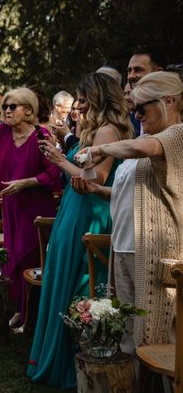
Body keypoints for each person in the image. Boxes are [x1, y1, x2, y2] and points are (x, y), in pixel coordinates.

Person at [27, 73, 134, 388]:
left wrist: (60, 160)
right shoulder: (94, 130)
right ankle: (63, 359)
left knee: (79, 282)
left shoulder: (108, 131)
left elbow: (96, 179)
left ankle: (74, 362)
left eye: (84, 101)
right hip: (75, 210)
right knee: (66, 276)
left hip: (90, 212)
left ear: (100, 98)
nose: (78, 107)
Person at [74, 71, 183, 350]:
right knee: (126, 332)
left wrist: (101, 150)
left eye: (142, 108)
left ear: (169, 101)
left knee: (155, 335)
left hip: (154, 253)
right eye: (133, 108)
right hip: (123, 246)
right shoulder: (148, 139)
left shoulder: (176, 135)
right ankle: (130, 392)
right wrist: (97, 190)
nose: (137, 114)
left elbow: (143, 147)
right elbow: (132, 195)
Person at [0, 88, 61, 330]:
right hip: (12, 206)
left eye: (12, 106)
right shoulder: (3, 131)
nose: (6, 111)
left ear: (29, 110)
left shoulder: (42, 135)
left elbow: (53, 173)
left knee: (31, 257)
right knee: (14, 257)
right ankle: (20, 310)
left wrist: (26, 183)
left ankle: (35, 315)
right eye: (5, 107)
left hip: (36, 208)